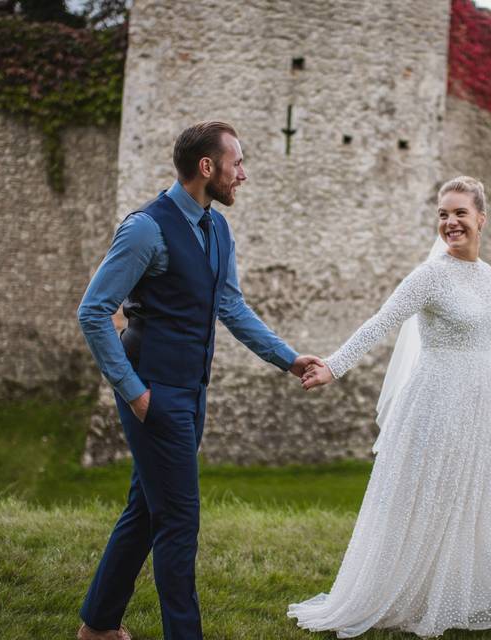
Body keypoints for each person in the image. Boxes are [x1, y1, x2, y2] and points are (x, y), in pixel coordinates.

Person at [289, 176, 491, 638]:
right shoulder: (429, 276)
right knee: (432, 500)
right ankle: (415, 597)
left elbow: (480, 333)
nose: (450, 223)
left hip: (479, 405)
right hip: (436, 400)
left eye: (460, 213)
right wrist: (334, 366)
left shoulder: (487, 274)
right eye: (443, 214)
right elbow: (381, 323)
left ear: (481, 219)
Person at [75, 121, 323, 640]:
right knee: (179, 524)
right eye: (237, 164)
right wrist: (135, 393)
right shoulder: (145, 228)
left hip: (192, 391)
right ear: (207, 167)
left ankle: (97, 625)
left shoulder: (216, 226)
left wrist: (288, 358)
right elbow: (94, 311)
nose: (244, 175)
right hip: (155, 393)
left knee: (147, 507)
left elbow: (230, 304)